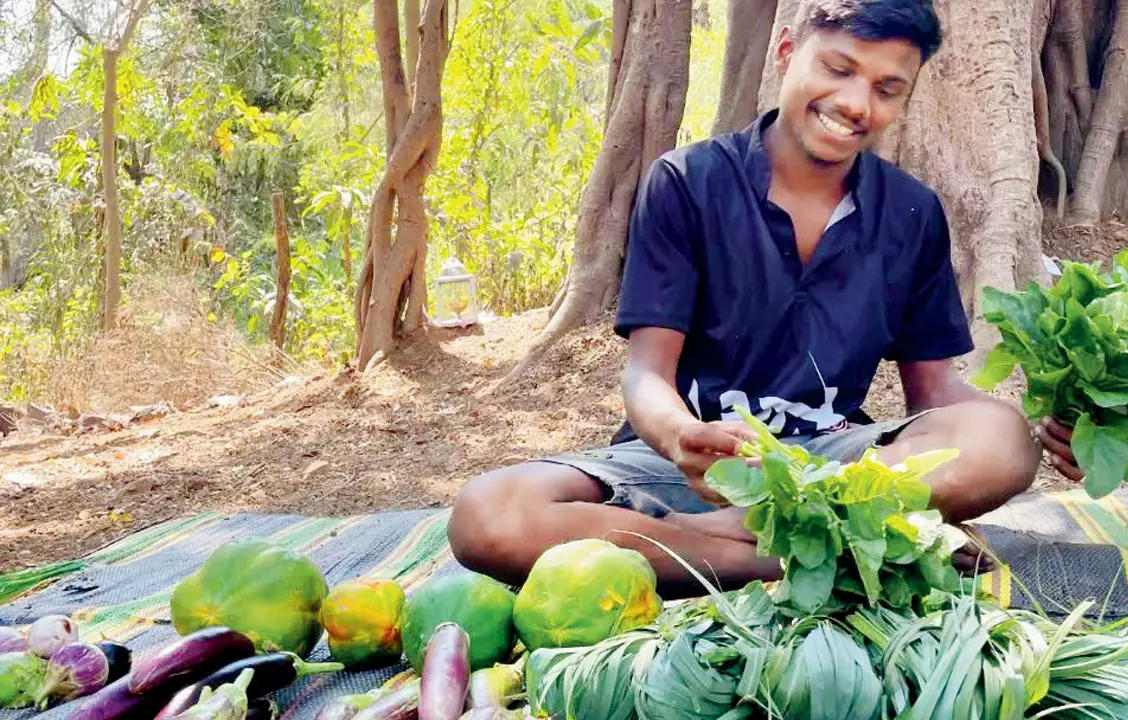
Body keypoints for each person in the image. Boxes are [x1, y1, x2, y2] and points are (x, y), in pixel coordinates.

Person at [449, 0, 1078, 598]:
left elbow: (934, 391)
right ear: (785, 51)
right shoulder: (688, 182)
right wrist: (681, 436)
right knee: (489, 515)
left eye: (887, 89)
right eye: (838, 69)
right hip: (691, 466)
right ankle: (805, 553)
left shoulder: (910, 212)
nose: (855, 103)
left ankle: (717, 542)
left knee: (1001, 442)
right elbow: (647, 373)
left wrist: (1048, 425)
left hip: (834, 470)